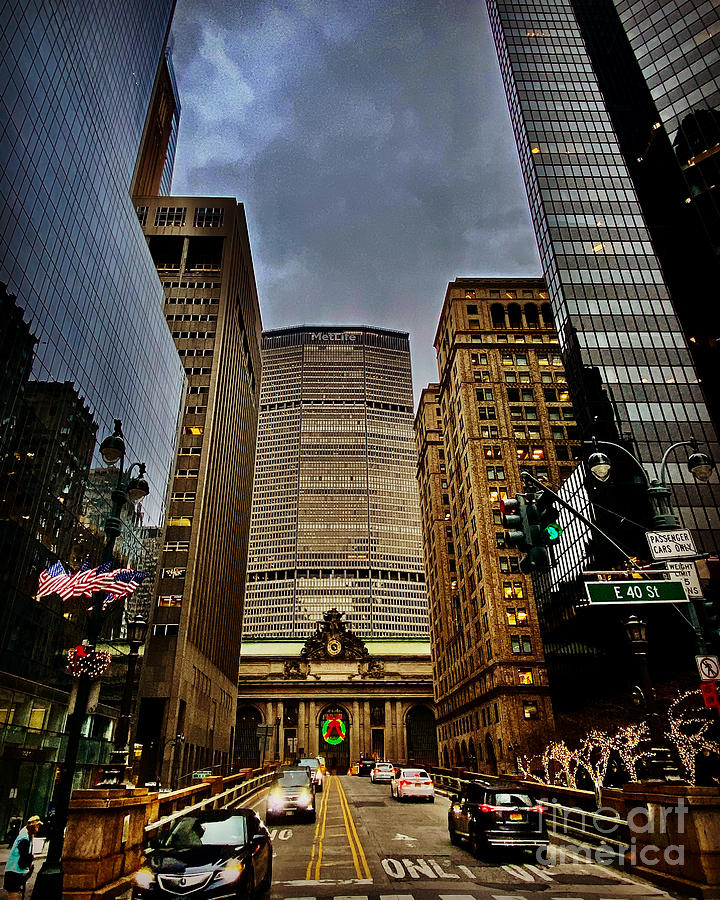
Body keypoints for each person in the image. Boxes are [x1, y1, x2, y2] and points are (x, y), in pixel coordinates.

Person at [3, 815, 42, 899]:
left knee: (16, 894)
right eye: (37, 826)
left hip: (15, 870)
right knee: (14, 895)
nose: (38, 829)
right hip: (14, 871)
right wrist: (30, 862)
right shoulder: (24, 838)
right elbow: (23, 857)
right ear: (32, 826)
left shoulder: (27, 835)